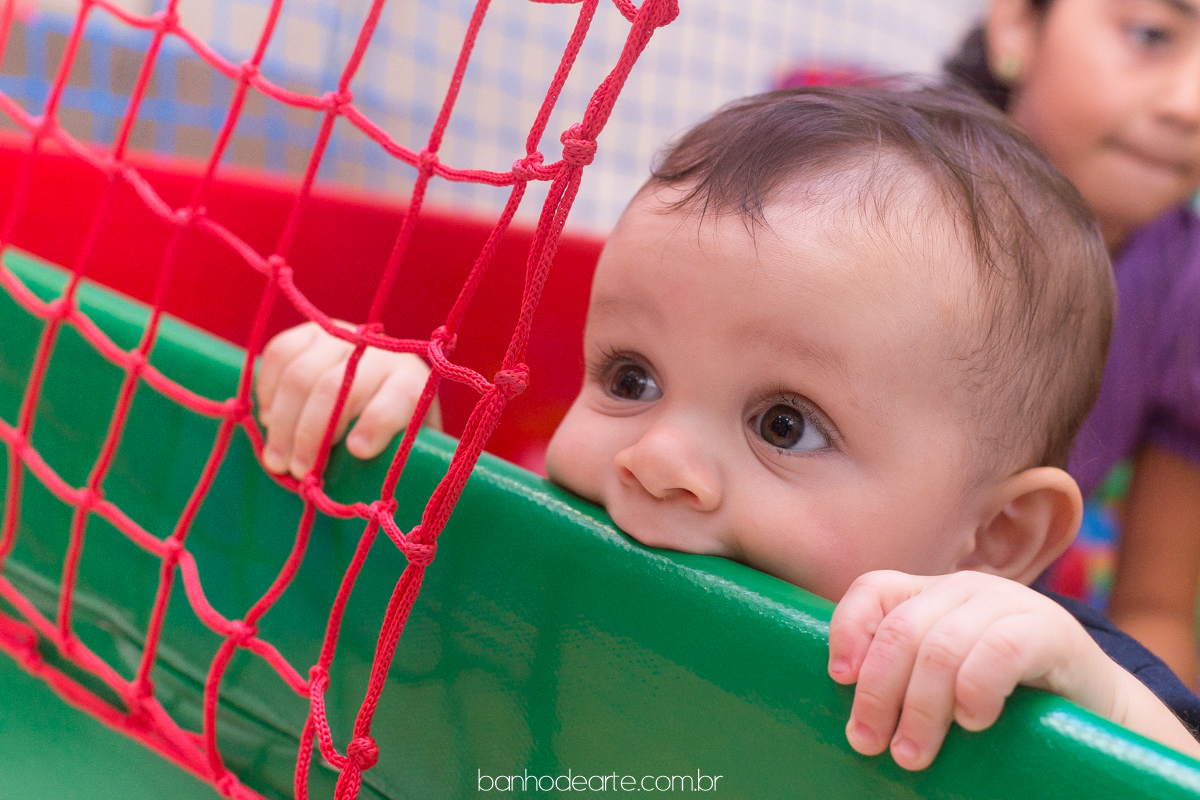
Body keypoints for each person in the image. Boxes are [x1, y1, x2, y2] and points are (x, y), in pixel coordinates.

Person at [253, 87, 1200, 769]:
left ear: (993, 538)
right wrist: (385, 446)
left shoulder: (1016, 670)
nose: (656, 458)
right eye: (629, 378)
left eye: (784, 426)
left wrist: (1096, 699)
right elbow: (404, 613)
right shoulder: (579, 549)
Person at [946, 0, 1200, 686]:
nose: (1190, 104)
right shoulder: (875, 198)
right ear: (1017, 24)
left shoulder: (1185, 287)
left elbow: (1155, 609)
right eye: (1151, 35)